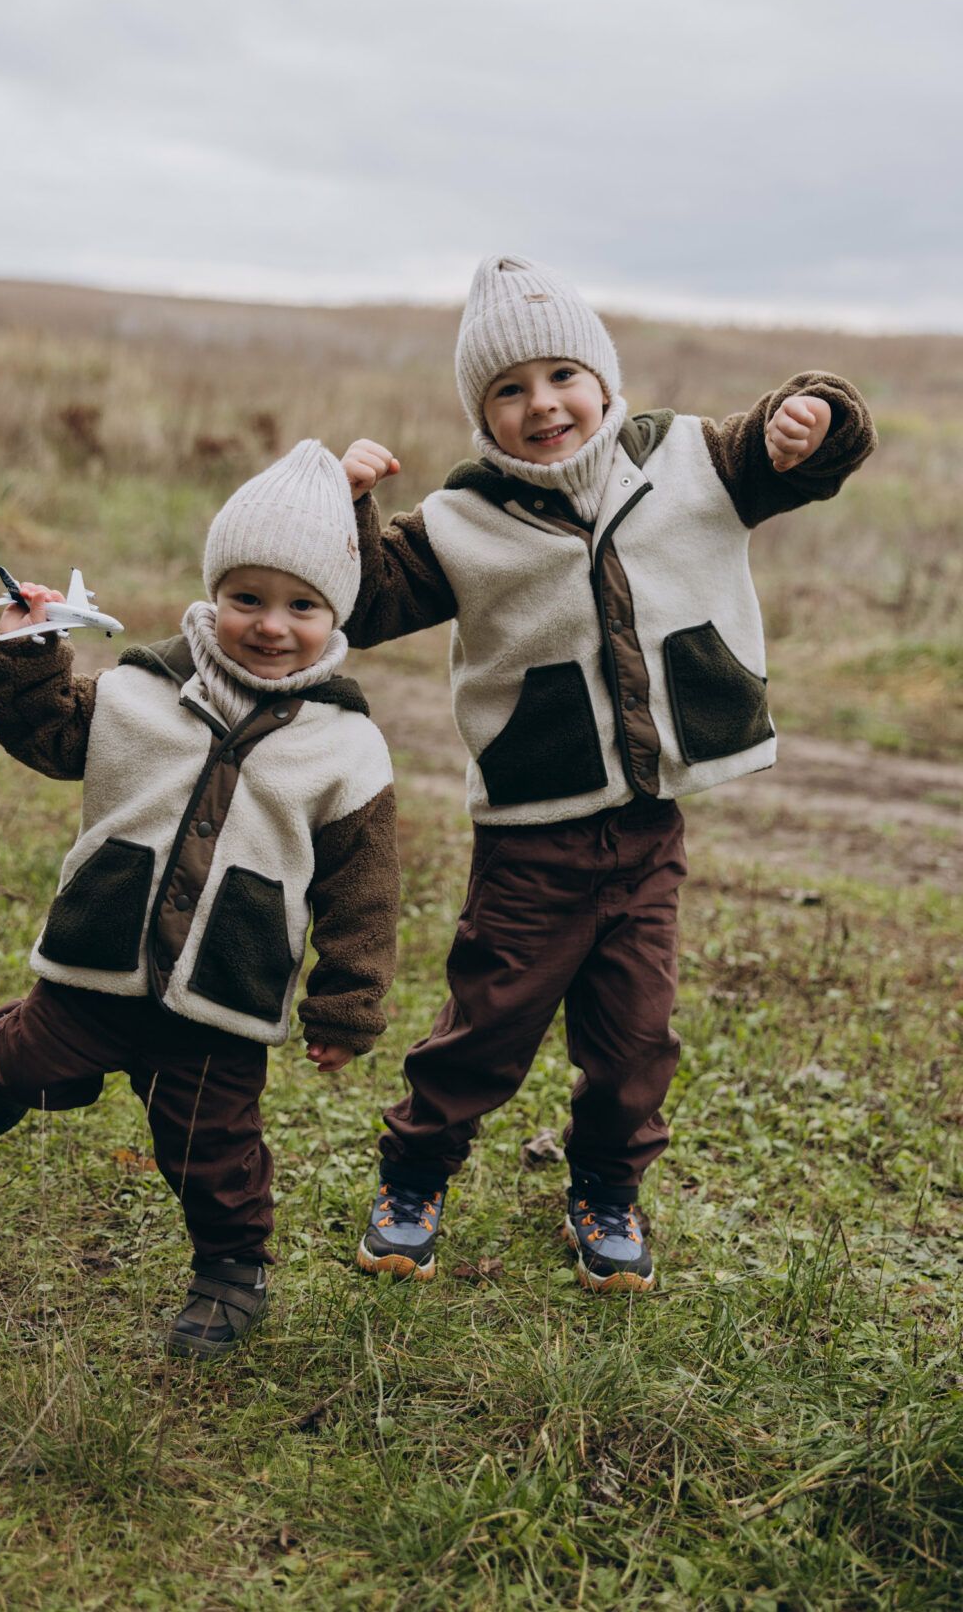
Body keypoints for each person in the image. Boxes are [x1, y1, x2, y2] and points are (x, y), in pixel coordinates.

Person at [340, 253, 875, 1292]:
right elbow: (367, 605)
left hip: (647, 831)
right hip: (530, 833)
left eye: (560, 377)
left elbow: (788, 456)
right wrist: (351, 503)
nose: (542, 405)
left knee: (635, 1040)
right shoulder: (461, 520)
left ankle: (606, 1190)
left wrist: (812, 415)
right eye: (508, 390)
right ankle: (414, 1173)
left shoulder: (690, 458)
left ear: (601, 378)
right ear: (480, 415)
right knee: (486, 1028)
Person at [0, 440, 400, 1354]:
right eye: (247, 598)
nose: (271, 625)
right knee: (25, 1066)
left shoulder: (347, 746)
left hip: (223, 996)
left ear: (337, 613)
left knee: (214, 1149)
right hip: (96, 962)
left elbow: (365, 886)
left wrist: (348, 1001)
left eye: (302, 606)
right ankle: (8, 1064)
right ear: (214, 594)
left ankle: (230, 1276)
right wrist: (27, 653)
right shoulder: (139, 692)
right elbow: (48, 734)